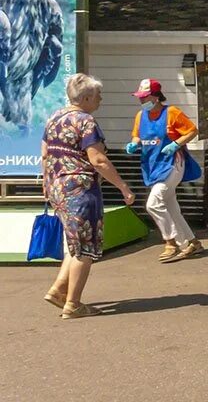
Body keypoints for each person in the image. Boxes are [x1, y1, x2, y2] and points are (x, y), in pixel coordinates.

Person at [42, 74, 136, 318]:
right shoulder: (86, 122)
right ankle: (73, 304)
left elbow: (45, 154)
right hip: (80, 188)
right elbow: (98, 160)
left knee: (74, 243)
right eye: (98, 96)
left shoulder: (54, 118)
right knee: (85, 247)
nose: (101, 100)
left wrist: (46, 182)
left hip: (57, 186)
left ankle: (57, 290)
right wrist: (123, 186)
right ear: (85, 98)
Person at [125, 78, 204, 262]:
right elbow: (137, 136)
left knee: (153, 203)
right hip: (152, 164)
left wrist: (176, 144)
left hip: (172, 162)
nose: (141, 101)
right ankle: (192, 242)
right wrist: (134, 144)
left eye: (145, 97)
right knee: (171, 207)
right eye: (140, 97)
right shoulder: (140, 116)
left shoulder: (172, 112)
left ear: (156, 96)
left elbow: (192, 131)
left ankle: (171, 242)